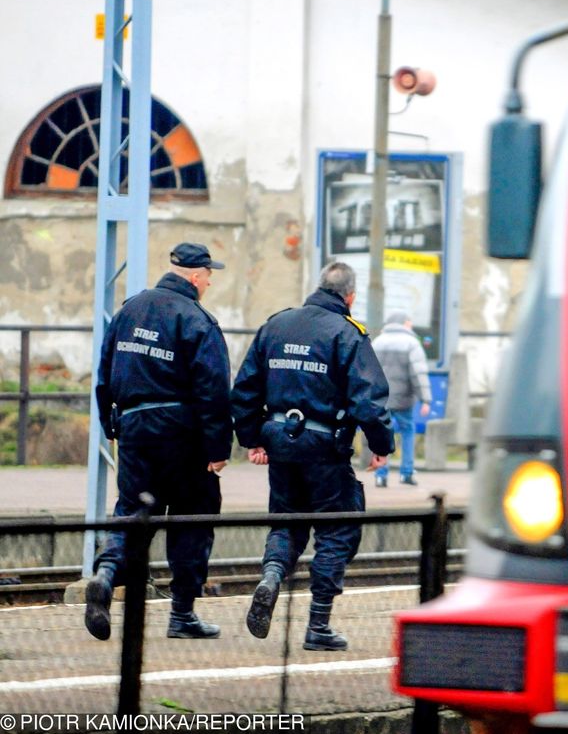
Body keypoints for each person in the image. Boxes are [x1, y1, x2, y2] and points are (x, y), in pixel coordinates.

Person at [230, 261, 393, 651]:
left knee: (287, 522)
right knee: (337, 529)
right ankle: (318, 625)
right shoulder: (347, 333)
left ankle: (271, 576)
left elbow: (245, 387)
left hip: (281, 444)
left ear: (318, 285)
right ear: (350, 296)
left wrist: (252, 438)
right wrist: (381, 445)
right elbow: (368, 399)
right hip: (325, 449)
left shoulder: (278, 324)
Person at [86, 243, 232, 641]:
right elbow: (214, 390)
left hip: (133, 425)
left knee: (132, 510)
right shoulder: (198, 320)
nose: (209, 281)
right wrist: (218, 449)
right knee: (192, 518)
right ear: (196, 275)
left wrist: (111, 426)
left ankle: (106, 572)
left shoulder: (128, 310)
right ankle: (181, 615)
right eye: (209, 274)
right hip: (182, 434)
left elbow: (103, 373)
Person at [372, 310, 432, 487]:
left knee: (382, 435)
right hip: (404, 399)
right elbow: (418, 374)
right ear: (404, 323)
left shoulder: (377, 342)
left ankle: (380, 475)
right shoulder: (411, 343)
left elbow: (369, 371)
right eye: (409, 322)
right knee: (407, 432)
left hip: (382, 399)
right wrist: (425, 399)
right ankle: (406, 473)